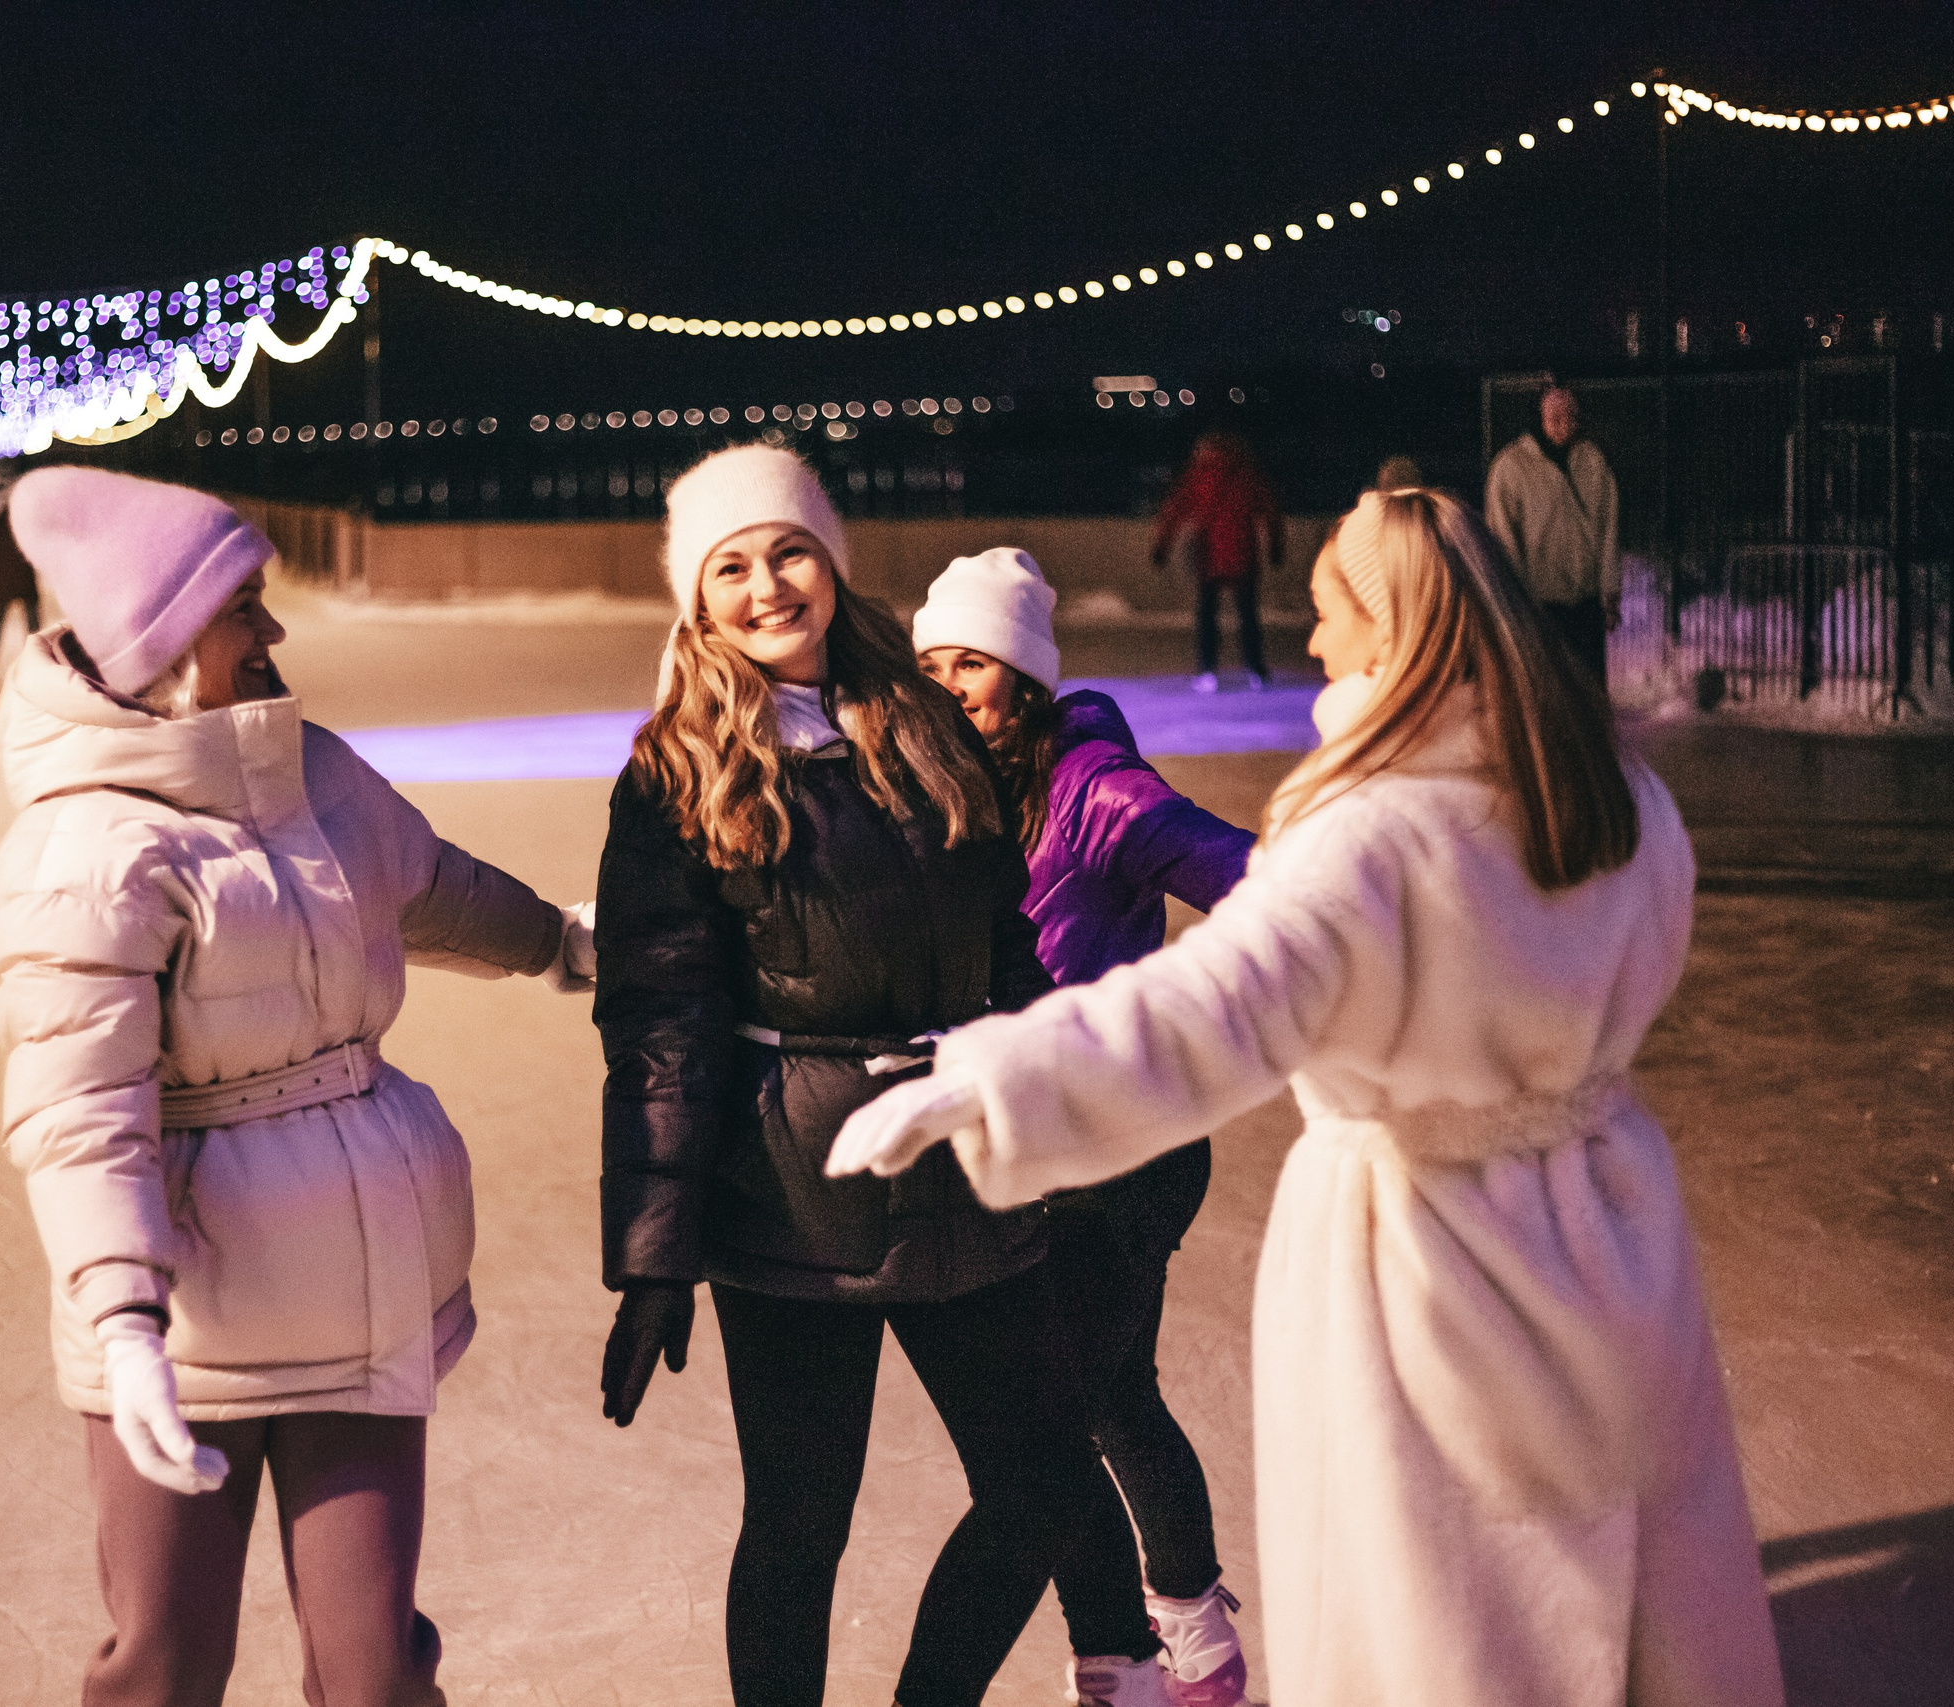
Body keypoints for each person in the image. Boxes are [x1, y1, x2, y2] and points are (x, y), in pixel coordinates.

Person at [835, 489, 1786, 1707]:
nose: (1316, 642)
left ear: (1391, 632)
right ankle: (1142, 1642)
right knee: (1617, 1565)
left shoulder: (1368, 835)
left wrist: (997, 1079)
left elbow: (1208, 1011)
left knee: (1445, 1601)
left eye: (1332, 612)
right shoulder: (1621, 806)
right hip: (1609, 1227)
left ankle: (1165, 1635)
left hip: (1428, 1254)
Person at [0, 467, 595, 1707]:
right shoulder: (82, 853)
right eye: (242, 607)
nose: (274, 630)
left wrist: (560, 942)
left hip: (362, 1287)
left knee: (373, 1674)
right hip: (187, 1316)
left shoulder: (309, 772)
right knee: (166, 1665)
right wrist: (122, 1321)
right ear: (159, 644)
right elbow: (80, 1116)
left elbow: (431, 885)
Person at [593, 446, 1165, 1707]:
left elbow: (1013, 943)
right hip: (794, 1195)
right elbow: (658, 1027)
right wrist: (652, 1256)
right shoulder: (675, 773)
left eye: (787, 552)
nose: (765, 587)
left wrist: (1067, 1127)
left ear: (832, 564)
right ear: (697, 601)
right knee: (801, 1521)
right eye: (729, 568)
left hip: (963, 1162)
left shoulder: (920, 722)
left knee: (1045, 1478)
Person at [913, 548, 1256, 1706]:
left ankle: (1153, 1647)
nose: (949, 683)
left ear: (1024, 674)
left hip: (1133, 1148)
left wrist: (1184, 1023)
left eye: (972, 661)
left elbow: (1263, 893)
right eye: (931, 662)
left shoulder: (1103, 792)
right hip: (1029, 1151)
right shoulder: (949, 793)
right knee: (1104, 1403)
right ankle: (1159, 1640)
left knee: (1065, 1416)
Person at [1485, 384, 1620, 685]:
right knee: (1550, 691)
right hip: (1541, 604)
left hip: (1585, 600)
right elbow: (1504, 538)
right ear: (1539, 418)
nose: (1564, 425)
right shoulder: (1511, 468)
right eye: (1555, 418)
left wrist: (1609, 591)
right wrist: (1515, 601)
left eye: (1570, 416)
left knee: (1589, 689)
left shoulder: (1593, 462)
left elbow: (1609, 530)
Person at [1151, 434, 1280, 695]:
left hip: (1209, 556)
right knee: (1248, 616)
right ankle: (1256, 670)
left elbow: (1173, 510)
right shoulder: (1247, 474)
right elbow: (1271, 511)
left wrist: (1161, 546)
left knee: (1208, 616)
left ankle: (1207, 670)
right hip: (1243, 554)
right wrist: (1277, 545)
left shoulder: (1198, 475)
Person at [0, 491, 44, 669]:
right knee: (33, 629)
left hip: (3, 584)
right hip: (25, 583)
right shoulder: (29, 524)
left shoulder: (0, 522)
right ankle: (37, 660)